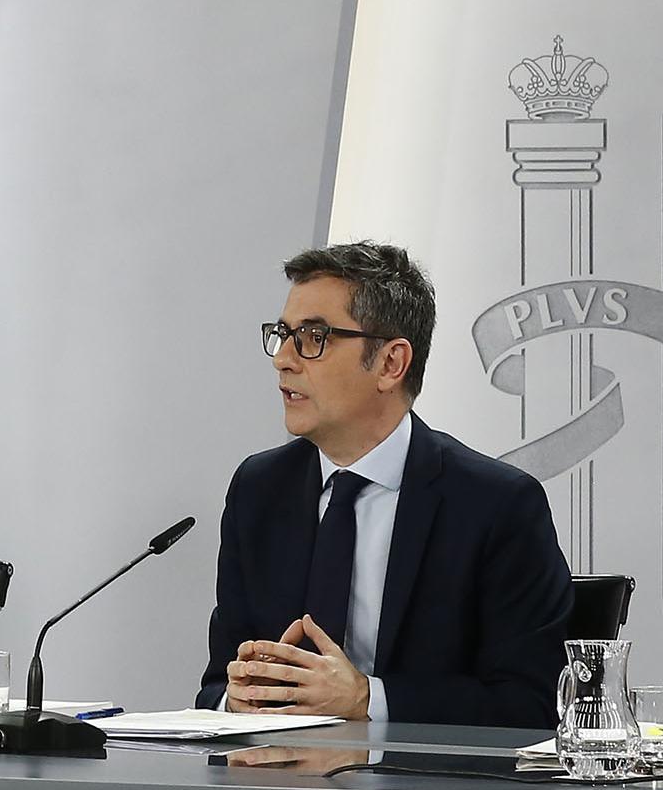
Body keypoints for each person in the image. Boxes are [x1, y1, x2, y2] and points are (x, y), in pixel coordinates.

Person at [199, 241, 572, 726]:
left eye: (313, 337)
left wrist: (367, 700)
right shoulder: (259, 489)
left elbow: (535, 705)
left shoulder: (496, 506)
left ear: (391, 364)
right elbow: (214, 683)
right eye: (282, 334)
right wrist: (235, 701)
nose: (283, 359)